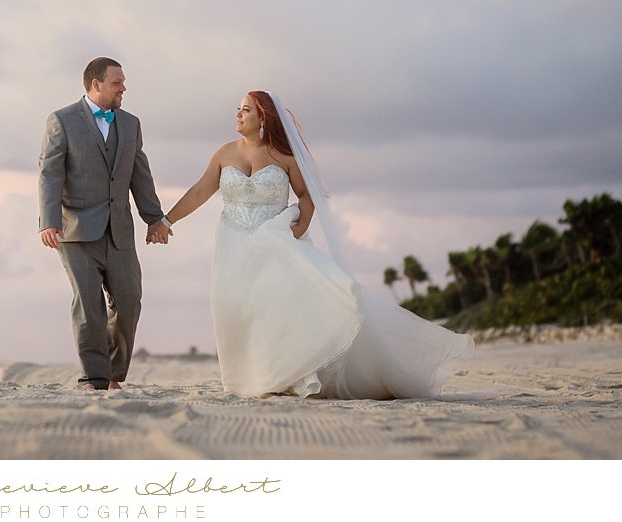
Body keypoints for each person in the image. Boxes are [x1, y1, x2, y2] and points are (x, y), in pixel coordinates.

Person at [162, 90, 489, 400]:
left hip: (276, 242)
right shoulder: (224, 153)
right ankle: (250, 377)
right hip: (233, 243)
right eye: (238, 108)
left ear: (263, 118)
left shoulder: (283, 156)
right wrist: (166, 222)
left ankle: (277, 378)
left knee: (274, 310)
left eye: (245, 109)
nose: (237, 114)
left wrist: (301, 225)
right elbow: (199, 192)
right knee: (240, 311)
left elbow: (307, 194)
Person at [38, 57, 172, 391]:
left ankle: (112, 372)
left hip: (120, 230)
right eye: (117, 82)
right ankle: (95, 378)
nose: (123, 88)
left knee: (130, 301)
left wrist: (154, 218)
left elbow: (140, 174)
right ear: (96, 84)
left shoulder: (131, 124)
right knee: (89, 305)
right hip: (75, 229)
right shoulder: (62, 120)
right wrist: (48, 221)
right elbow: (50, 173)